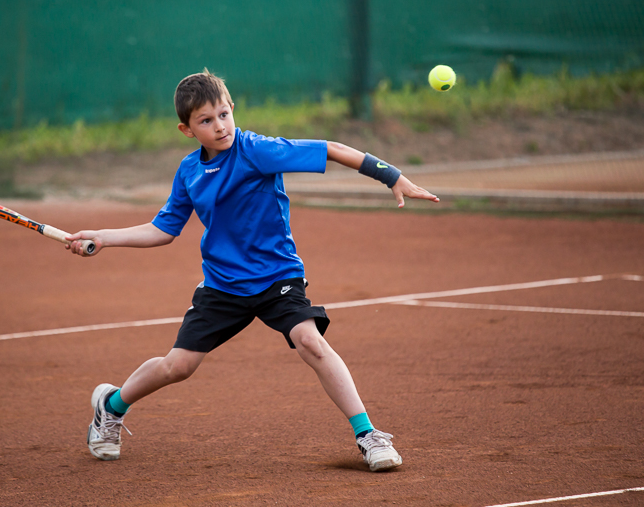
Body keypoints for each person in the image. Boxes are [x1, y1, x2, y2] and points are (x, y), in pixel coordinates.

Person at [66, 70, 439, 472]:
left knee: (310, 342)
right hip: (223, 285)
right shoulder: (189, 171)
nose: (219, 126)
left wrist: (391, 176)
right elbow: (162, 230)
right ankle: (112, 404)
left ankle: (368, 435)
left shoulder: (257, 150)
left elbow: (329, 148)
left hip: (278, 276)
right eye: (205, 121)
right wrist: (103, 236)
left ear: (233, 110)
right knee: (179, 366)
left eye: (223, 114)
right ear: (186, 129)